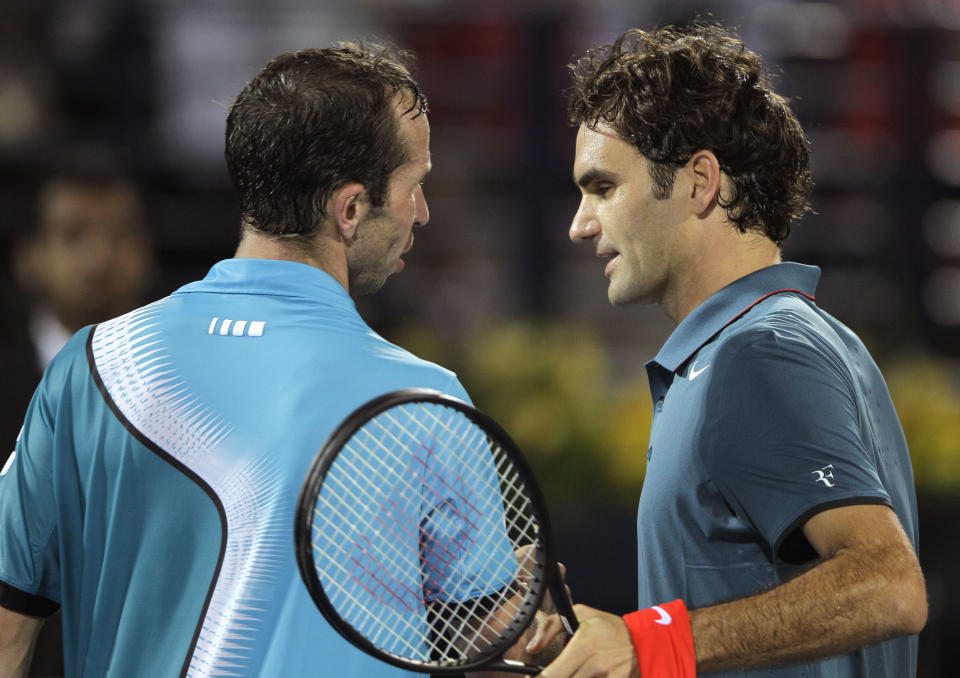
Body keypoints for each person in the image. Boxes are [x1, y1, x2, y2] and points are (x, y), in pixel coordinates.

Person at [0, 43, 536, 678]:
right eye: (413, 186)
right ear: (351, 208)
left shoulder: (90, 367)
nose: (421, 212)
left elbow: (8, 630)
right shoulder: (427, 402)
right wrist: (528, 622)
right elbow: (487, 649)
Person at [531, 21, 927, 678]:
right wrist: (594, 648)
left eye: (602, 187)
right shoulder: (782, 343)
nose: (580, 224)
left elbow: (888, 584)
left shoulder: (759, 354)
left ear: (698, 181)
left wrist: (647, 643)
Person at [0, 153, 153, 678]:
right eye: (74, 235)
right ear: (28, 257)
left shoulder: (182, 391)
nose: (100, 256)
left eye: (120, 235)